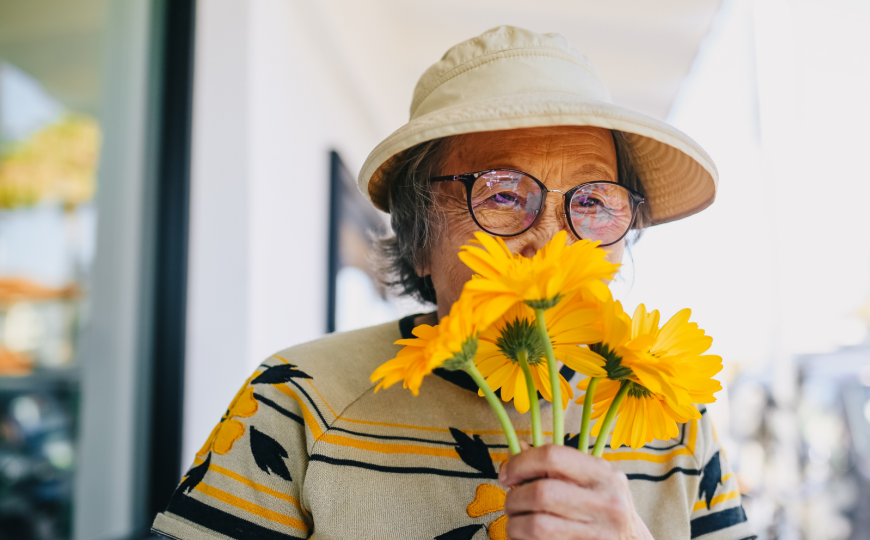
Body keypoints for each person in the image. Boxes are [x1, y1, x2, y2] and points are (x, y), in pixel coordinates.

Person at [152, 26, 754, 540]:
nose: (549, 244)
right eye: (502, 195)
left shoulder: (674, 416)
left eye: (593, 201)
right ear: (420, 241)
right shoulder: (300, 397)